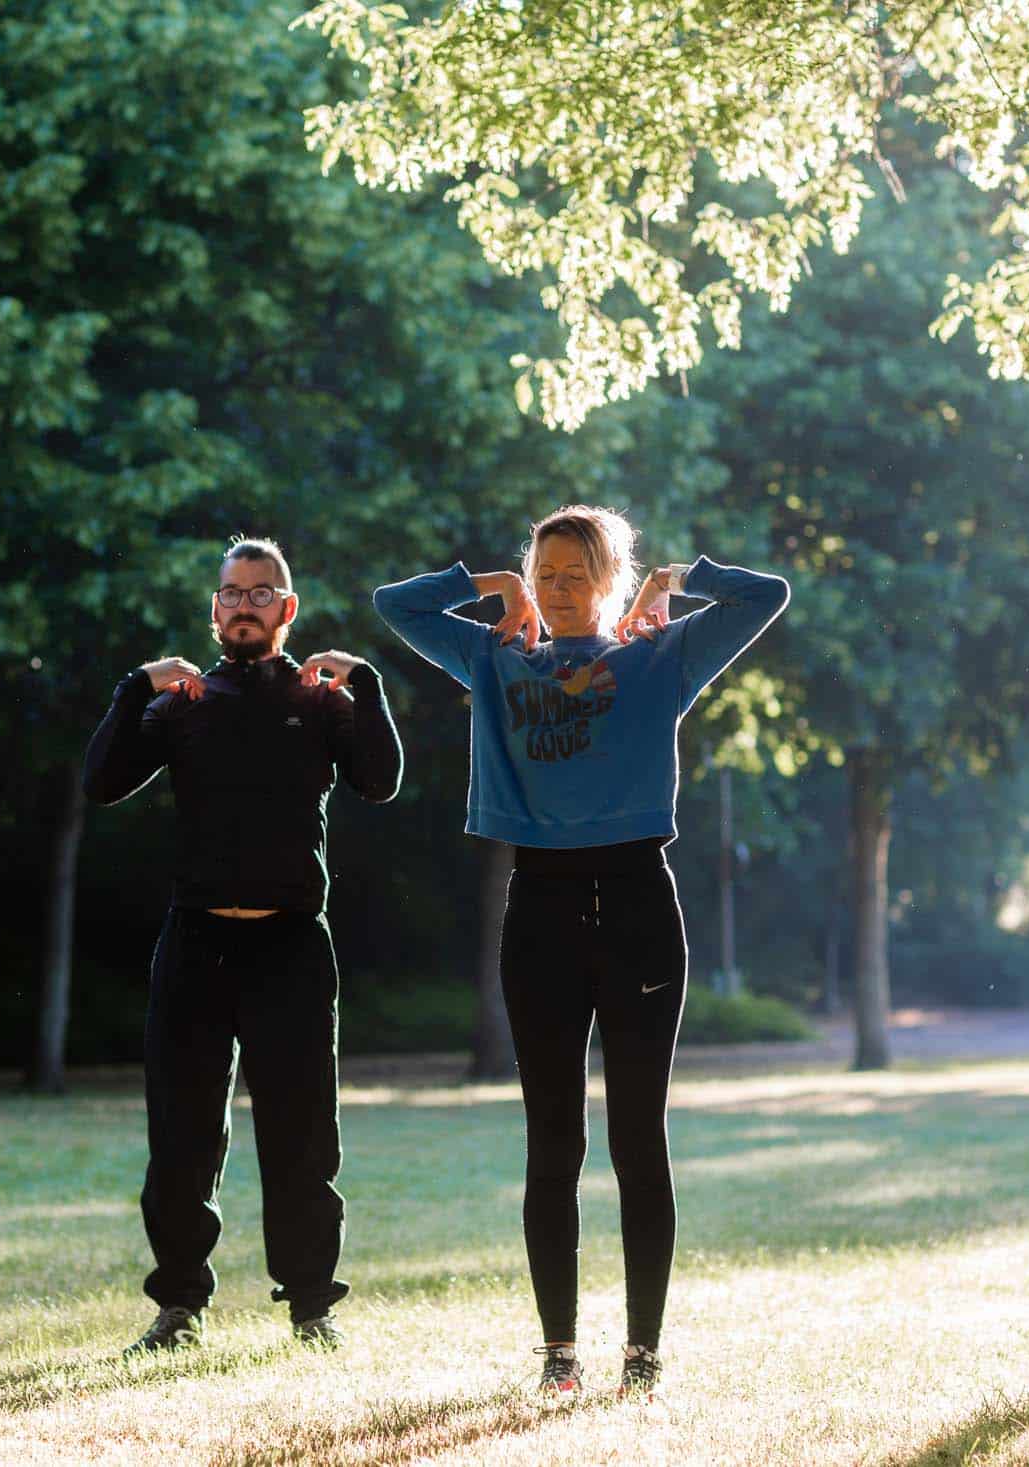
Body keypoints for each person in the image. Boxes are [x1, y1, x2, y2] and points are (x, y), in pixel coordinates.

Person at [372, 505, 789, 1401]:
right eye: (546, 573)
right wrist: (488, 588)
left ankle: (643, 1353)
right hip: (542, 907)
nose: (559, 591)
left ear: (608, 581)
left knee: (641, 1138)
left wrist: (676, 584)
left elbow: (768, 596)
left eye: (577, 576)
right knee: (553, 1138)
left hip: (639, 900)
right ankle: (559, 1352)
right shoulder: (495, 657)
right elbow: (395, 607)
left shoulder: (659, 656)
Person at [83, 537, 402, 1356]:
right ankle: (179, 1306)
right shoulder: (185, 701)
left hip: (291, 944)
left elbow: (380, 777)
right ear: (214, 610)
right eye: (232, 593)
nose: (245, 605)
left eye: (262, 593)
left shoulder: (321, 699)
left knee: (302, 1137)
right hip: (195, 942)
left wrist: (364, 683)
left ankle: (311, 1308)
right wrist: (131, 689)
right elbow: (103, 780)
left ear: (287, 610)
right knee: (183, 1138)